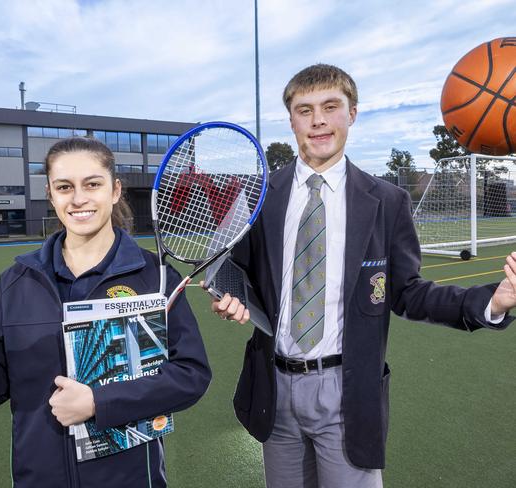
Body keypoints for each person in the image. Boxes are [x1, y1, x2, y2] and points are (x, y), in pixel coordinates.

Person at [210, 64, 516, 488]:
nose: (318, 120)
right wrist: (227, 297)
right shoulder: (261, 196)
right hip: (275, 391)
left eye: (330, 106)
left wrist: (491, 302)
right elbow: (234, 271)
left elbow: (409, 293)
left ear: (351, 114)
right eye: (305, 110)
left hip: (346, 392)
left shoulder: (387, 201)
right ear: (292, 120)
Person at [0, 137, 212, 487]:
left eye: (92, 184)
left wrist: (99, 401)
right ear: (50, 194)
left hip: (131, 478)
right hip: (39, 477)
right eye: (64, 187)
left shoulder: (155, 277)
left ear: (115, 190)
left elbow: (190, 375)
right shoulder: (16, 282)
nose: (78, 199)